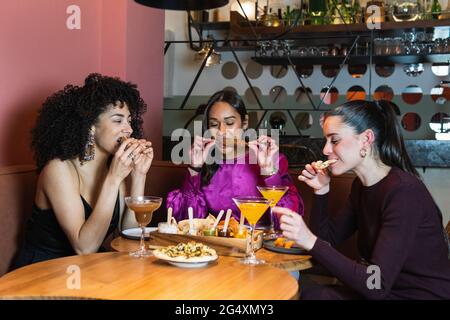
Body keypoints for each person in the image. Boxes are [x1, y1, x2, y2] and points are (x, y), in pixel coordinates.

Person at [274, 99, 450, 300]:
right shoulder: (361, 186)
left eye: (334, 140)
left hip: (417, 296)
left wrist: (309, 240)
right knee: (308, 293)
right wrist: (321, 190)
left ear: (366, 138)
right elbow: (326, 242)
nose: (325, 150)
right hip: (386, 292)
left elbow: (376, 284)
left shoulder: (403, 192)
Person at [13, 73, 153, 268]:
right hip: (44, 272)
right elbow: (84, 248)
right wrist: (113, 178)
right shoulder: (58, 170)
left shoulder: (112, 170)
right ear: (91, 127)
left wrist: (139, 175)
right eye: (117, 120)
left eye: (129, 120)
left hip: (86, 270)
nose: (128, 129)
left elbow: (130, 233)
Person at [167, 90, 303, 228]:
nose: (222, 132)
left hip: (262, 244)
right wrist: (194, 169)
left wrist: (269, 173)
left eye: (230, 123)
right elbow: (189, 223)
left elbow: (289, 220)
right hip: (218, 245)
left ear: (244, 123)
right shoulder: (205, 164)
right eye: (214, 125)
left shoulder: (272, 159)